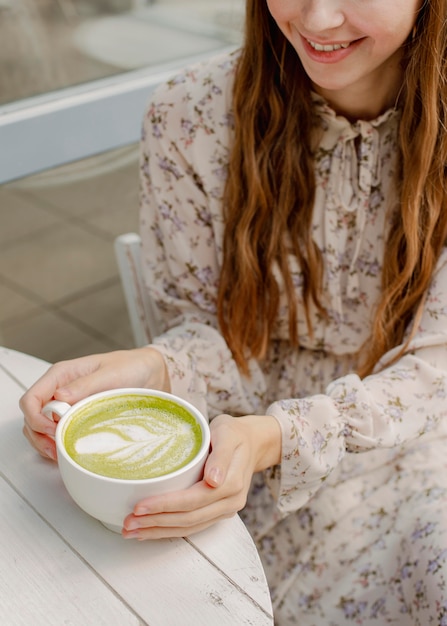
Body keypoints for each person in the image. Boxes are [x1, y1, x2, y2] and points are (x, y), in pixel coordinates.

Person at [20, 0, 447, 623]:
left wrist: (277, 438)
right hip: (219, 453)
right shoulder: (190, 117)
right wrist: (155, 367)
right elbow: (221, 337)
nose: (319, 19)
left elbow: (435, 376)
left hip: (404, 454)